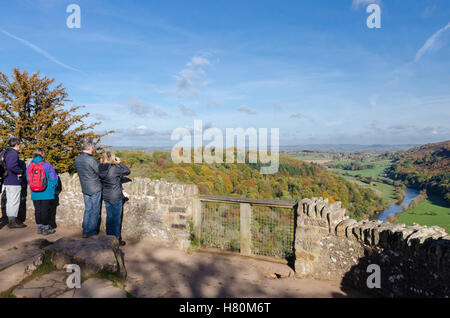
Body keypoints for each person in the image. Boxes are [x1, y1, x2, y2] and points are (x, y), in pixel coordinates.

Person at [98, 151, 130, 246]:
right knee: (116, 219)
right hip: (115, 196)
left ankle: (109, 238)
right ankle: (116, 239)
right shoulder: (114, 169)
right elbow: (127, 171)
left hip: (106, 195)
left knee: (109, 218)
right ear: (113, 158)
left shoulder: (100, 168)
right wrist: (119, 162)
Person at [26, 148, 58, 235]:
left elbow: (27, 178)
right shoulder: (47, 165)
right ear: (43, 154)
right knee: (45, 210)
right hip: (46, 191)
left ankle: (39, 227)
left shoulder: (30, 166)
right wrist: (52, 187)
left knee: (38, 210)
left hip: (34, 191)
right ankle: (46, 228)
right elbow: (54, 179)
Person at [74, 139, 102, 238]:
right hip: (94, 187)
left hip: (85, 186)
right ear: (91, 148)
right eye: (93, 148)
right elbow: (99, 172)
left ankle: (85, 230)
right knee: (95, 210)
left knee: (88, 209)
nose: (94, 149)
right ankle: (92, 232)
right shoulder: (91, 160)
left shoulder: (77, 159)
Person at [3, 138, 26, 229]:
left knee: (10, 201)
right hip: (13, 180)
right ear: (16, 145)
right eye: (19, 144)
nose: (20, 146)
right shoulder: (13, 154)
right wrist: (20, 171)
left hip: (8, 180)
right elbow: (11, 166)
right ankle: (12, 221)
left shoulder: (7, 153)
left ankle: (11, 219)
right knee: (14, 201)